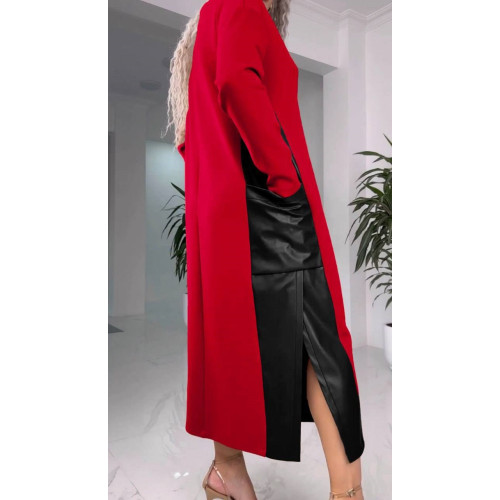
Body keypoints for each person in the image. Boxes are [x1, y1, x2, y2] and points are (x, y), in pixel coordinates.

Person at [164, 0, 365, 498]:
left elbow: (196, 125)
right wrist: (284, 178)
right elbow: (236, 80)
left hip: (231, 207)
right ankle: (348, 492)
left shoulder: (213, 16)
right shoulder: (240, 5)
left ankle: (226, 471)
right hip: (268, 202)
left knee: (231, 336)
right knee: (322, 339)